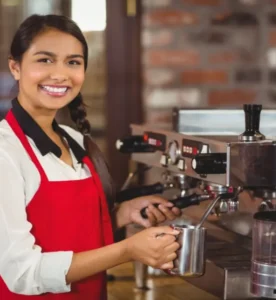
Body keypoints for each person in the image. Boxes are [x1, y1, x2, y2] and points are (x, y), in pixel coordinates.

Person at [0, 14, 181, 299]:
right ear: (16, 67)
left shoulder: (75, 141)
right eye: (45, 60)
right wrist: (128, 250)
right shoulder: (5, 152)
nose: (60, 74)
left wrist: (121, 214)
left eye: (73, 62)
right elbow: (22, 273)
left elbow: (66, 230)